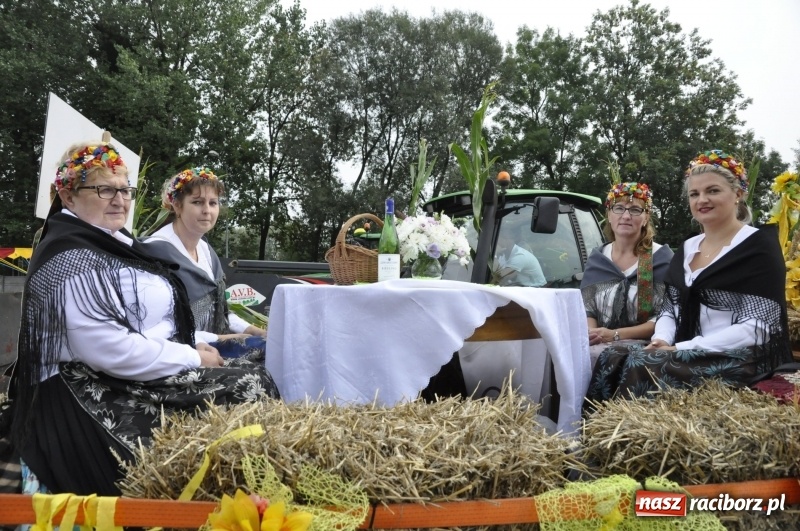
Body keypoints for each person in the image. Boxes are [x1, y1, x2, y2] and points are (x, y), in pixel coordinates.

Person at [8, 142, 280, 495]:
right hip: (85, 390)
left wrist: (197, 343)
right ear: (68, 195)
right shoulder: (71, 260)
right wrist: (191, 356)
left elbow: (142, 325)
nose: (119, 200)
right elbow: (108, 349)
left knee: (263, 359)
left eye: (124, 190)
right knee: (252, 387)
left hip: (124, 370)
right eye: (105, 189)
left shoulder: (111, 241)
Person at [587, 150, 792, 401]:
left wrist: (680, 348)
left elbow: (756, 328)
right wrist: (662, 339)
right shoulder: (688, 248)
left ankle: (636, 437)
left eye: (713, 191)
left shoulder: (758, 247)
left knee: (644, 364)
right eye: (695, 194)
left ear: (738, 194)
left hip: (739, 355)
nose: (702, 200)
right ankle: (590, 432)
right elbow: (669, 310)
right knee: (613, 356)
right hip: (687, 346)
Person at [143, 167, 265, 359]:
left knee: (270, 346)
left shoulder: (207, 252)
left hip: (208, 343)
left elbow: (220, 313)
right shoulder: (155, 252)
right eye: (197, 202)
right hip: (177, 351)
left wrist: (255, 330)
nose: (207, 210)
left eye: (213, 203)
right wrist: (225, 337)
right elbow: (160, 328)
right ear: (176, 205)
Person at [580, 183, 674, 363]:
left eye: (635, 210)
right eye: (619, 208)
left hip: (646, 347)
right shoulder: (598, 258)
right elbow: (587, 308)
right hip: (599, 343)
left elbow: (665, 317)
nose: (625, 216)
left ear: (646, 218)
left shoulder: (661, 258)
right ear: (609, 214)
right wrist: (592, 334)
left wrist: (615, 335)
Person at [494, 219, 546, 287]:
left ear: (507, 240)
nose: (495, 242)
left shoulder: (520, 256)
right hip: (521, 288)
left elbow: (500, 277)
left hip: (536, 291)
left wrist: (494, 255)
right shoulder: (504, 253)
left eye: (497, 239)